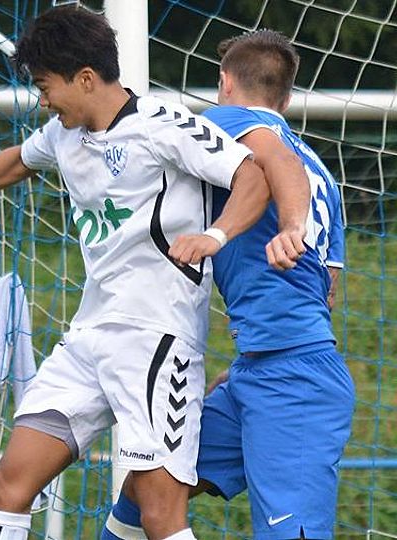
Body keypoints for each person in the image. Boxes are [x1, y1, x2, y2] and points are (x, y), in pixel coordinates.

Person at [0, 6, 292, 540]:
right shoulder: (63, 134)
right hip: (89, 338)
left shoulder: (164, 125)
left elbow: (252, 175)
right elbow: (16, 160)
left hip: (156, 341)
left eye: (45, 87)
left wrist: (214, 236)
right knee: (9, 484)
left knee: (159, 515)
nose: (43, 101)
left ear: (87, 78)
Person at [103, 29, 355, 540]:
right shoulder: (321, 174)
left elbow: (274, 164)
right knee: (148, 492)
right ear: (287, 98)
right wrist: (253, 358)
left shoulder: (230, 123)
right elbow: (325, 289)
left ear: (225, 83)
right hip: (262, 371)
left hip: (293, 385)